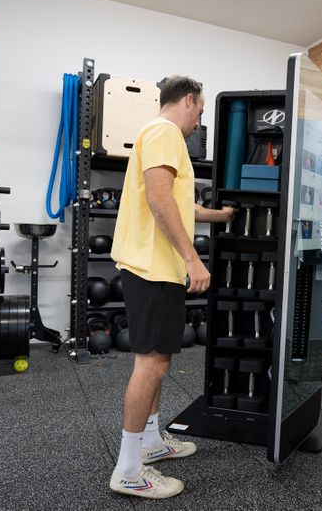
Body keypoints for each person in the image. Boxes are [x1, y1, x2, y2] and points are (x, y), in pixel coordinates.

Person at [108, 76, 235, 499]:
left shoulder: (160, 137)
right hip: (153, 267)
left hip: (153, 267)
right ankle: (128, 469)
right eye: (200, 110)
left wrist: (221, 217)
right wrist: (192, 258)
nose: (200, 120)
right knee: (151, 364)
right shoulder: (164, 132)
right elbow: (160, 200)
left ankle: (151, 441)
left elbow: (180, 203)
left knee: (157, 360)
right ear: (188, 100)